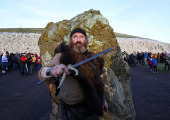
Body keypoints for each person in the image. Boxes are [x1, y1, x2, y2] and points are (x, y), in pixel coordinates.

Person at [38, 28, 108, 120]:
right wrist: (51, 70)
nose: (78, 40)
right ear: (70, 40)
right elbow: (43, 71)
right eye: (75, 37)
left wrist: (102, 100)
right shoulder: (62, 57)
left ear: (86, 40)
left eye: (81, 37)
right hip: (70, 111)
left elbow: (98, 81)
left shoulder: (92, 58)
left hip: (92, 107)